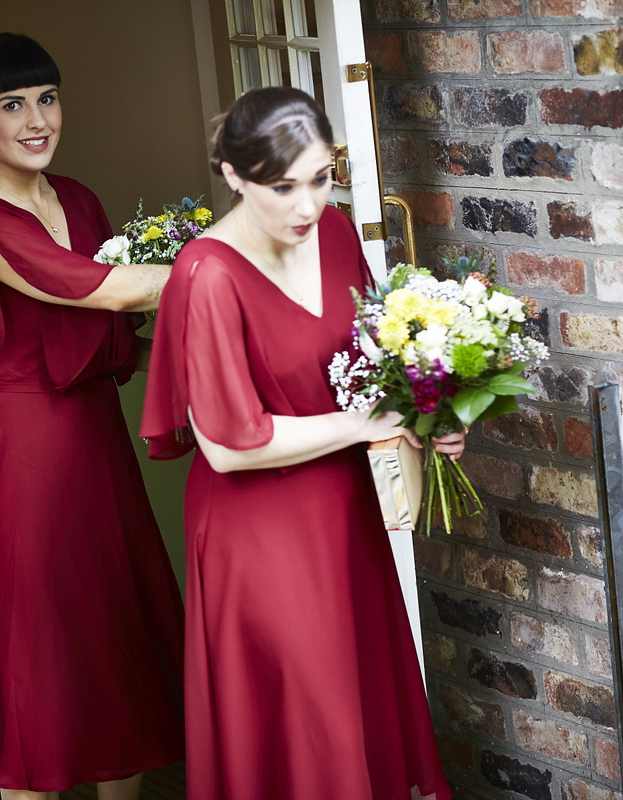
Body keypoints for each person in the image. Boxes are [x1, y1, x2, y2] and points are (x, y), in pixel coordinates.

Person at [140, 86, 460, 800]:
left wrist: (430, 412)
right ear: (232, 175)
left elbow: (379, 361)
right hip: (257, 538)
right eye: (282, 187)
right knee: (311, 728)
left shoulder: (339, 233)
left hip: (345, 518)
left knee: (356, 712)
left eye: (319, 180)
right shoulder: (207, 272)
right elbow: (227, 445)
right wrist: (367, 424)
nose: (306, 207)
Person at [0, 32, 185, 800]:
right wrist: (236, 267)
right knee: (38, 650)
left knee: (113, 634)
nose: (37, 119)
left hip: (93, 436)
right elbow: (98, 291)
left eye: (47, 99)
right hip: (23, 450)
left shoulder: (77, 199)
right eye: (12, 104)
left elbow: (112, 339)